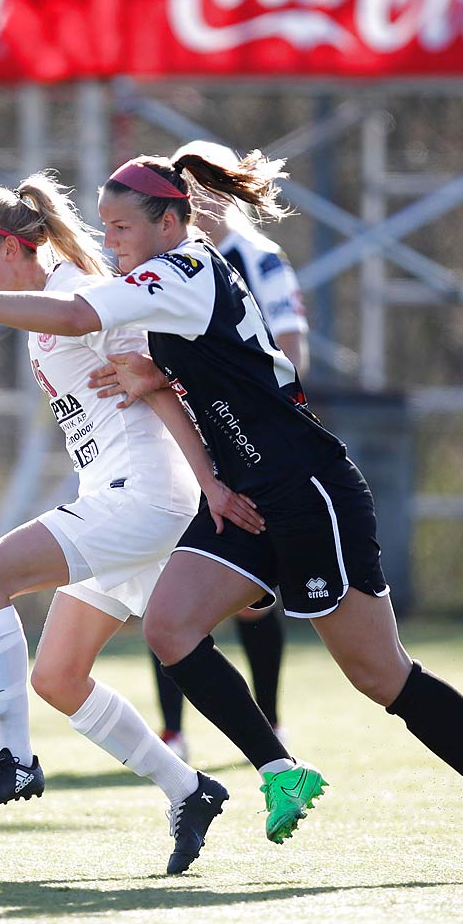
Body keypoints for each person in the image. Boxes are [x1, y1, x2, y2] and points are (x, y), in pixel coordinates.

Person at [0, 147, 463, 879]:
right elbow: (174, 351)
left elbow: (80, 312)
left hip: (307, 486)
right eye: (104, 228)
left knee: (379, 674)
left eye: (122, 228)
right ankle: (274, 770)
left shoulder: (183, 268)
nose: (110, 242)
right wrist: (161, 384)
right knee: (171, 629)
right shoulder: (164, 278)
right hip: (241, 496)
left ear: (170, 220)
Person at [0, 173, 263, 875]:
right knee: (59, 676)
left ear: (17, 249)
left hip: (141, 494)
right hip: (128, 494)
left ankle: (15, 759)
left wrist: (208, 482)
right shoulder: (48, 300)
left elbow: (161, 377)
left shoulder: (76, 291)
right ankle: (189, 789)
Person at [150, 139, 311, 762]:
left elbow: (291, 345)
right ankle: (172, 729)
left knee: (248, 595)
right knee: (172, 586)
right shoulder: (164, 262)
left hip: (249, 446)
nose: (192, 205)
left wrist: (268, 420)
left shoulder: (258, 258)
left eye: (200, 191)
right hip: (184, 443)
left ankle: (268, 722)